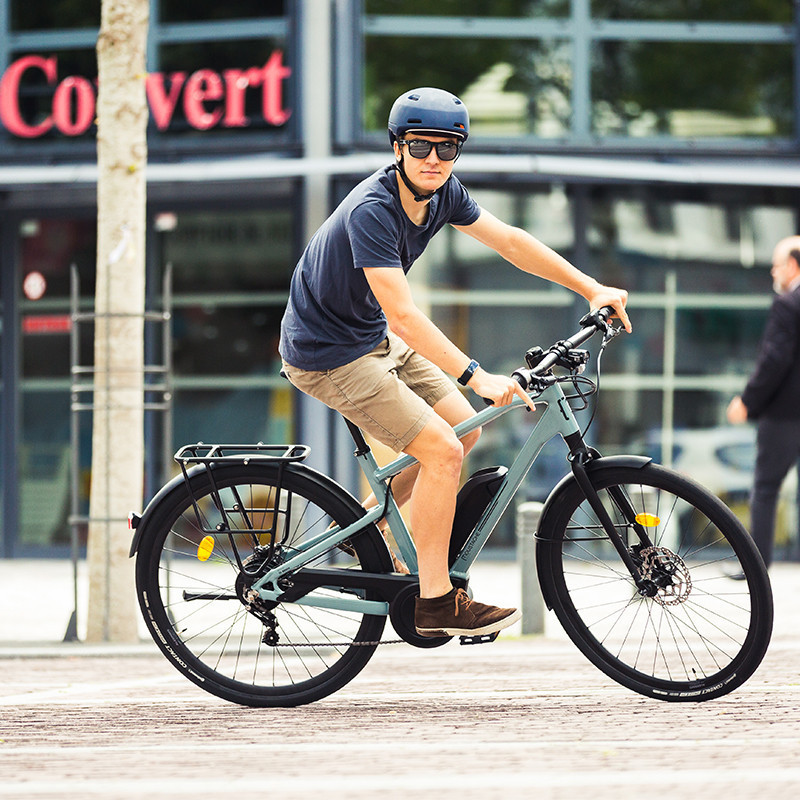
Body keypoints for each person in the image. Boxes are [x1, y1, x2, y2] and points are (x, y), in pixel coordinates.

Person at [279, 87, 630, 638]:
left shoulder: (441, 193)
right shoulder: (374, 209)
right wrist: (477, 375)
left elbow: (510, 241)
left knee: (461, 434)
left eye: (448, 149)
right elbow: (404, 316)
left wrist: (592, 288)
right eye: (421, 147)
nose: (434, 161)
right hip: (328, 355)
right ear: (397, 147)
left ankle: (361, 532)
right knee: (441, 451)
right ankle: (436, 602)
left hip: (370, 336)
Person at [727, 236, 800, 574]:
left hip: (786, 415)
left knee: (766, 488)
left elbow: (775, 360)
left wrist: (747, 401)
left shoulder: (788, 304)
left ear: (792, 266)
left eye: (776, 263)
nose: (773, 270)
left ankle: (755, 568)